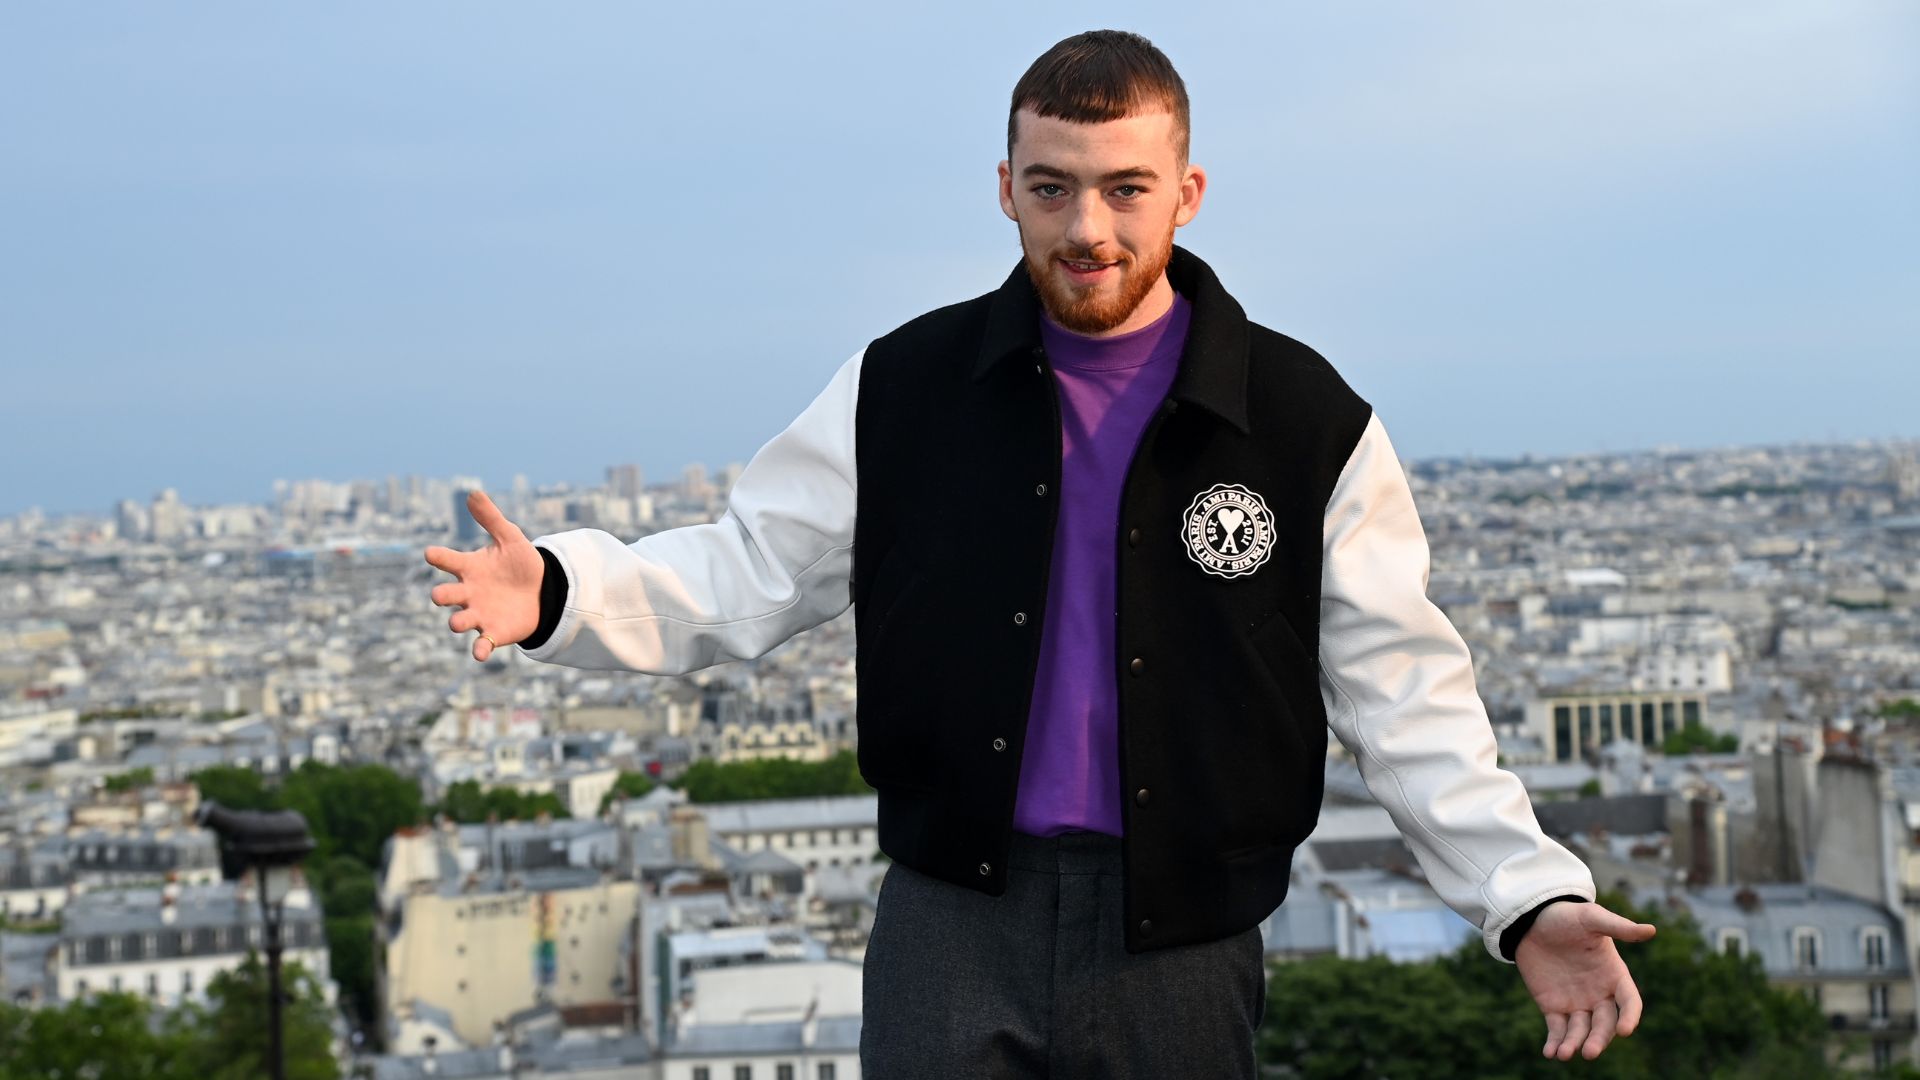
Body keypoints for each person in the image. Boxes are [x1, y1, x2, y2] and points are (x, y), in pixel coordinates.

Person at [425, 29, 1655, 1078]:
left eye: (1126, 188)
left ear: (1189, 192)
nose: (1089, 227)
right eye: (1054, 187)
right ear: (1004, 187)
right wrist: (560, 591)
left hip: (1180, 931)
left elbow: (1404, 692)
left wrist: (1524, 894)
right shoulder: (904, 387)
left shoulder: (1305, 419)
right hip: (953, 912)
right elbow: (751, 570)